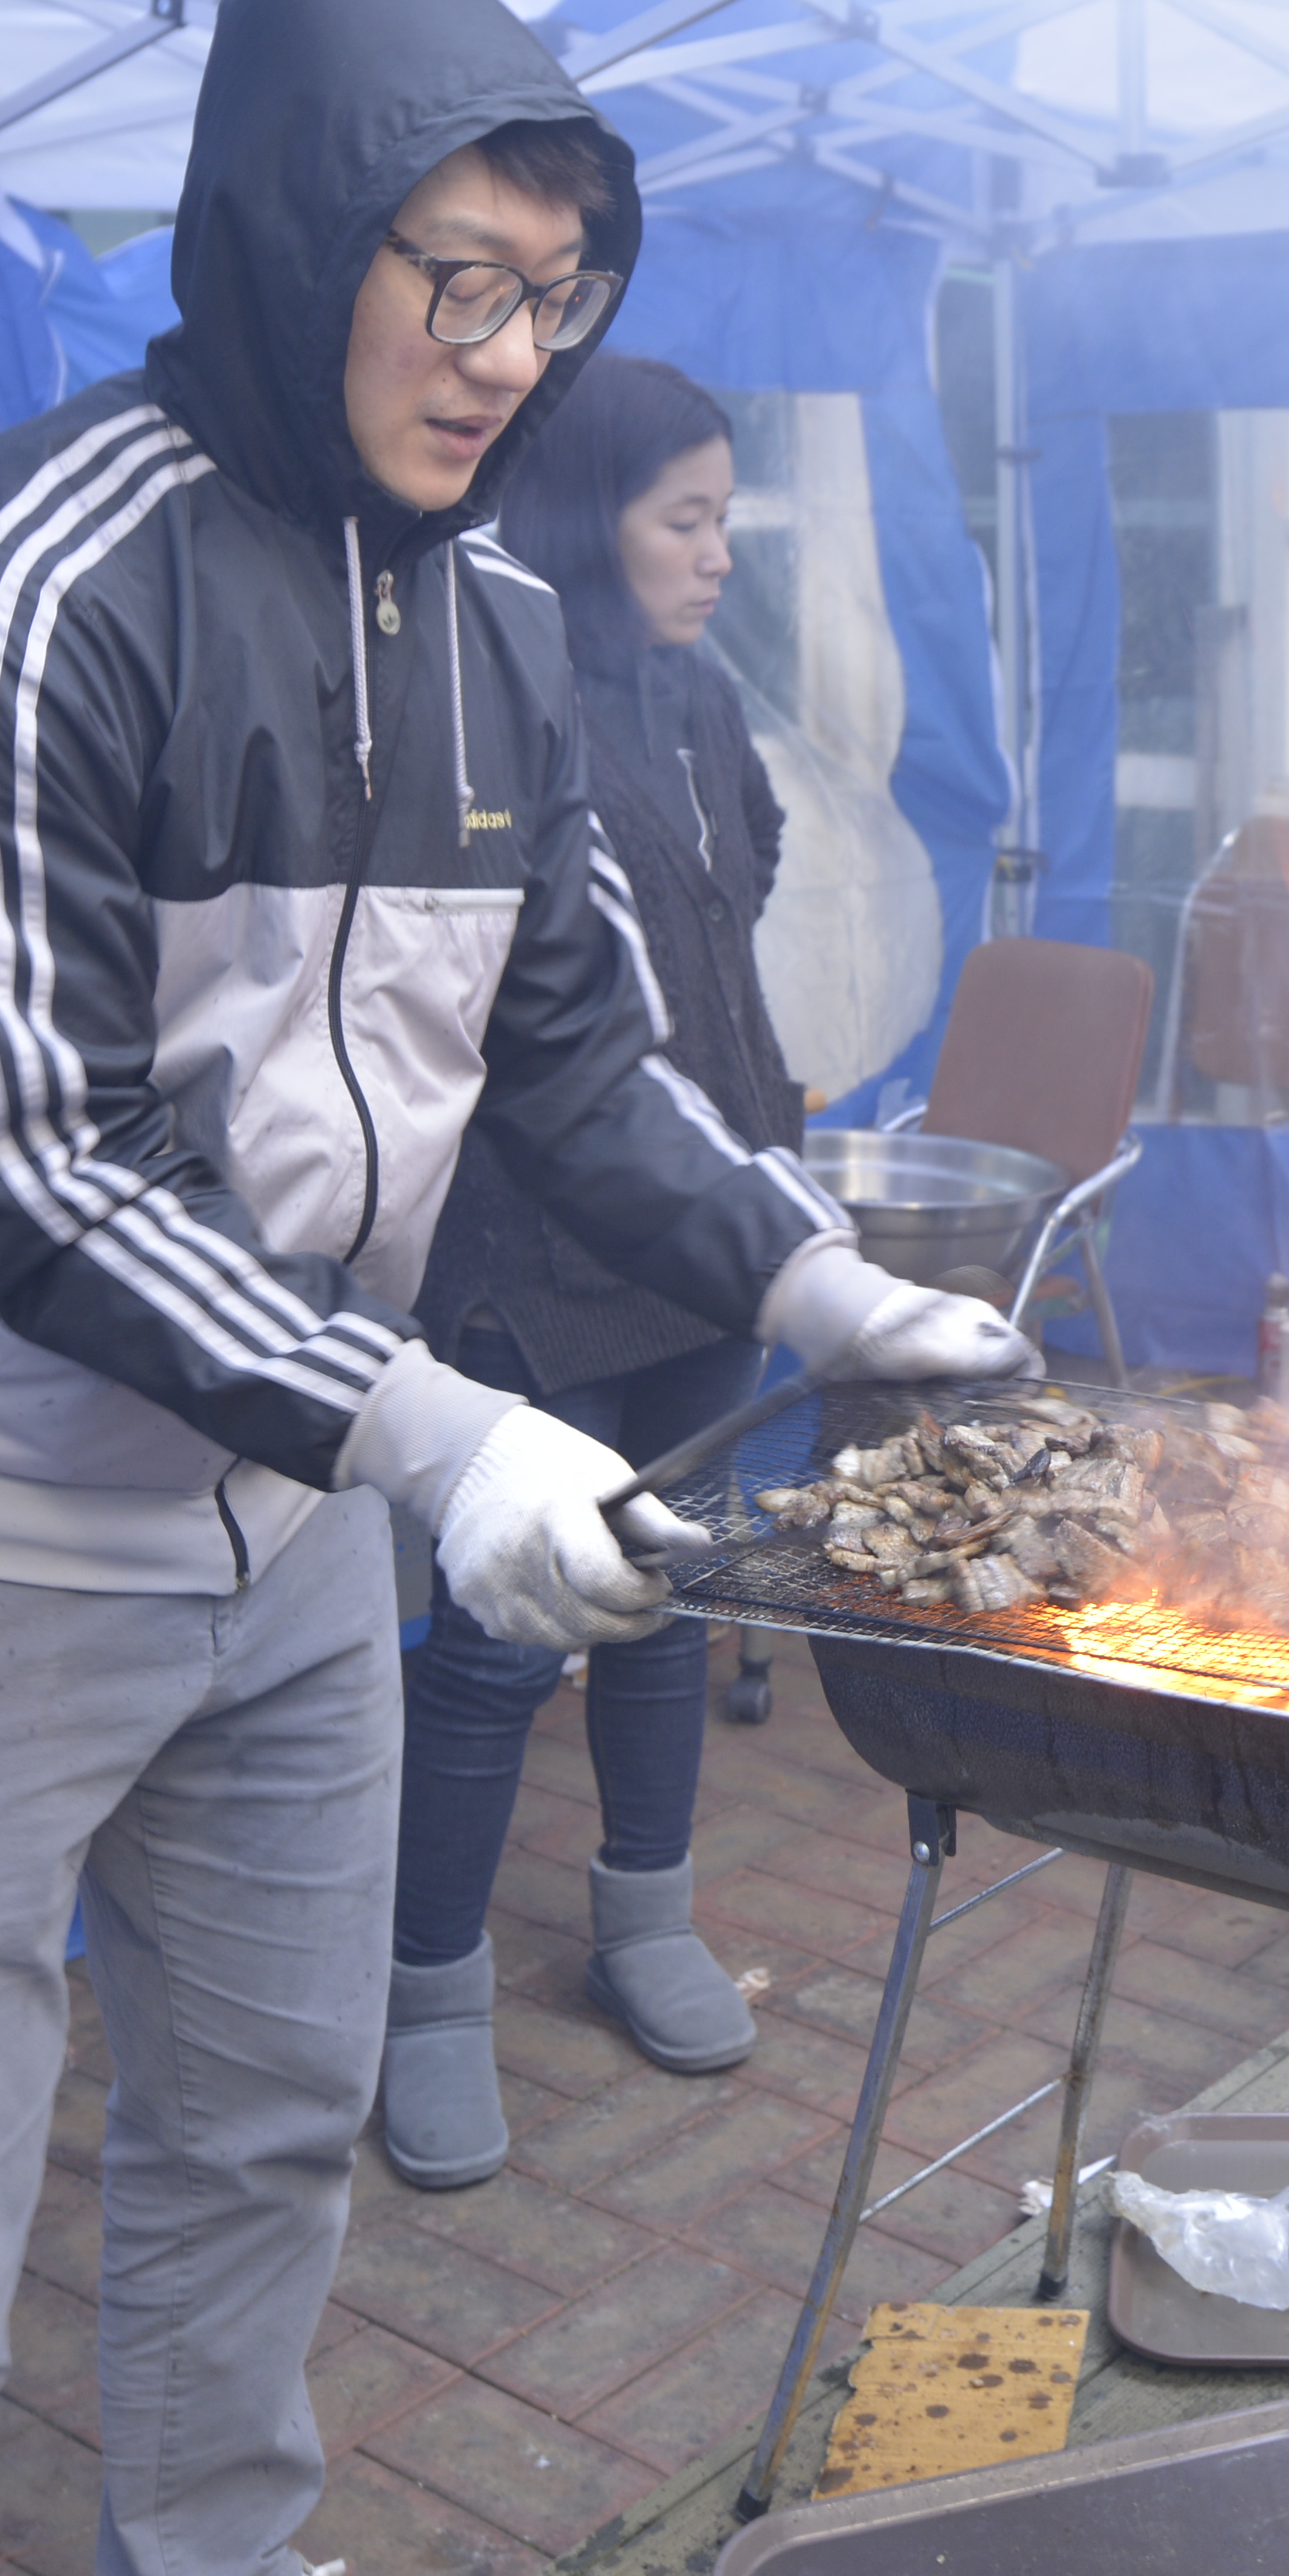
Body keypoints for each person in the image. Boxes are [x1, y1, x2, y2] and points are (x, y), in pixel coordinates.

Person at [0, 0, 1029, 2576]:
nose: (499, 351)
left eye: (551, 296)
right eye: (448, 273)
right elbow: (44, 1174)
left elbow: (568, 1047)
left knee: (266, 2113)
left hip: (284, 1514)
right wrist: (445, 1438)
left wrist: (824, 1288)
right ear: (293, 237)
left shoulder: (500, 634)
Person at [380, 352, 799, 2190]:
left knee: (672, 1589)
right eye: (683, 521)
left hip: (702, 1234)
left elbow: (747, 878)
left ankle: (646, 1922)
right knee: (493, 1649)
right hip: (533, 1253)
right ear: (580, 518)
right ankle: (426, 1996)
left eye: (727, 520)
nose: (717, 557)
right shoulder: (473, 704)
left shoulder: (701, 704)